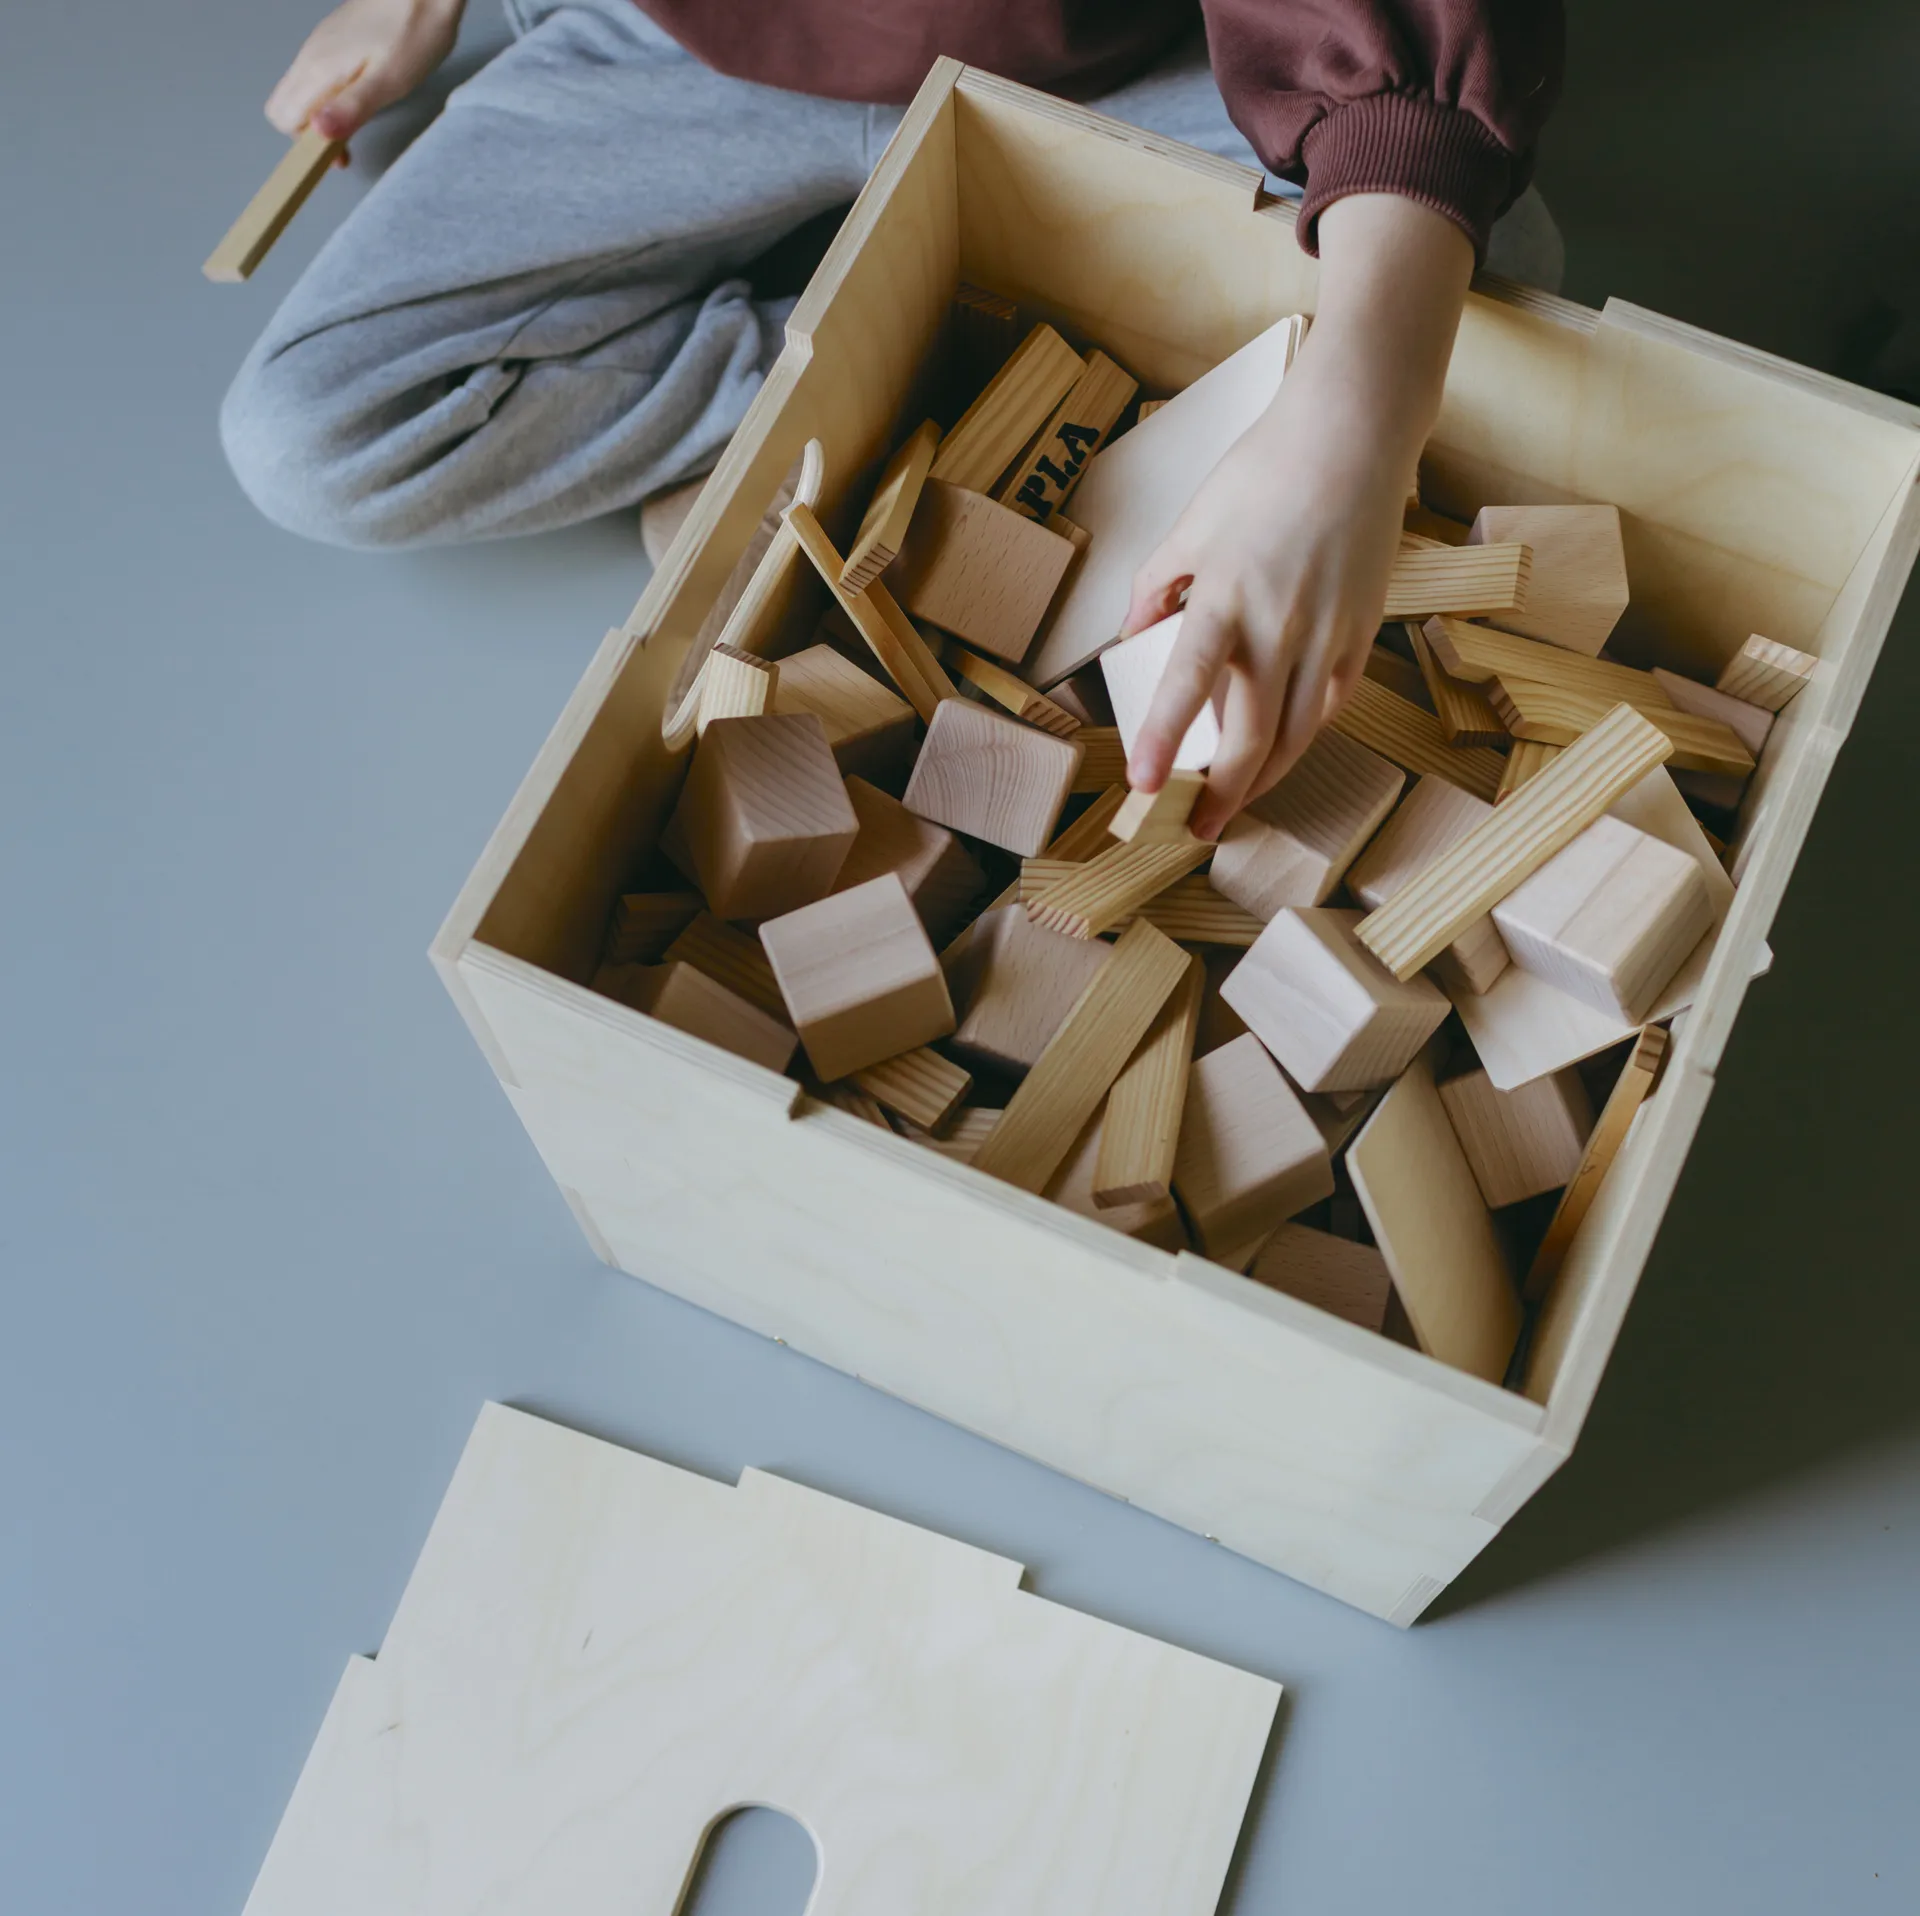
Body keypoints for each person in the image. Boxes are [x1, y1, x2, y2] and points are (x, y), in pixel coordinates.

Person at [223, 0, 1563, 835]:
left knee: (1485, 273)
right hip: (683, 45)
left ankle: (914, 375)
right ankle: (921, 364)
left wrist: (1351, 435)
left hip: (1115, 59)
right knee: (307, 432)